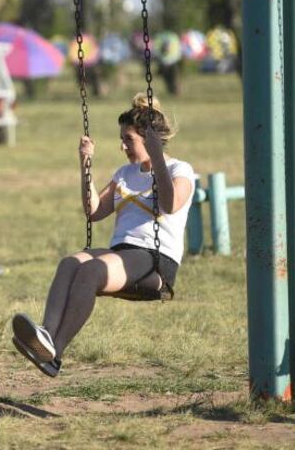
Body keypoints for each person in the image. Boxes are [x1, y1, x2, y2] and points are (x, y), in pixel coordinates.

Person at [10, 93, 195, 377]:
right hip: (123, 254)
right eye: (122, 139)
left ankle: (55, 353)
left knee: (91, 271)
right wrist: (86, 165)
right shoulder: (125, 173)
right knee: (70, 263)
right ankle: (45, 337)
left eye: (128, 139)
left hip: (154, 260)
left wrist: (157, 158)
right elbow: (94, 211)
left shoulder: (179, 170)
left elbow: (170, 205)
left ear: (150, 140)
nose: (123, 146)